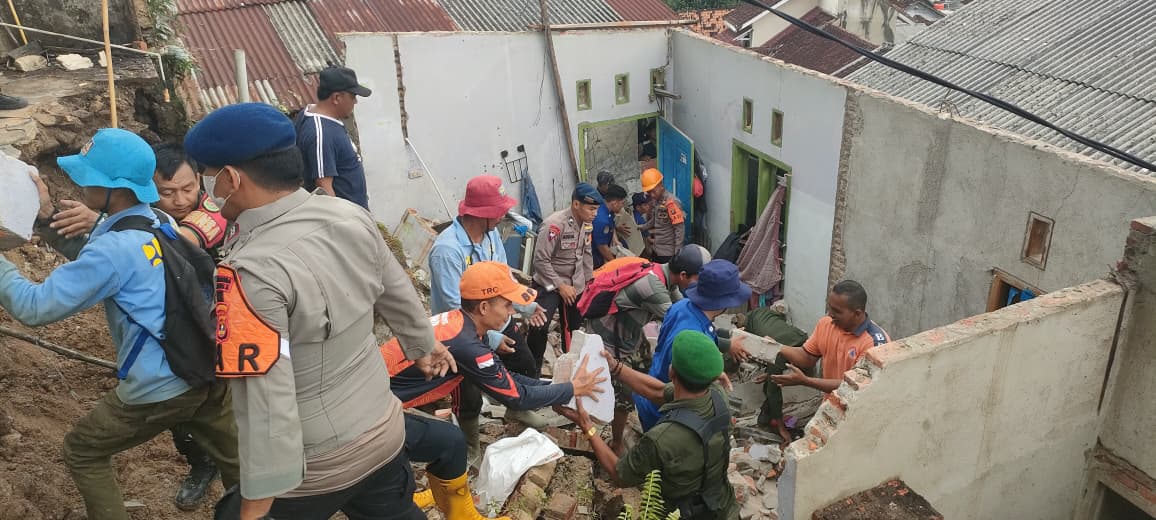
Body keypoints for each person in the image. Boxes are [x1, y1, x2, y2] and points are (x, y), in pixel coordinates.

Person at [186, 103, 455, 520]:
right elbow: (396, 288)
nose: (207, 189)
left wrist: (256, 502)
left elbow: (265, 400)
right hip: (383, 430)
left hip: (316, 467)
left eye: (208, 175)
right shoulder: (348, 214)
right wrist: (423, 345)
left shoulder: (250, 273)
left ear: (232, 179)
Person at [0, 129, 240, 520]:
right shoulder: (156, 219)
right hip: (205, 363)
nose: (82, 185)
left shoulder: (115, 247)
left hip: (162, 383)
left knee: (83, 450)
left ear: (113, 188)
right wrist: (46, 218)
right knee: (236, 459)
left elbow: (33, 308)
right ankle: (264, 510)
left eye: (88, 178)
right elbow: (99, 260)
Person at [382, 261, 606, 518]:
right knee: (446, 443)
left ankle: (425, 498)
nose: (511, 312)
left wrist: (558, 386)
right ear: (484, 307)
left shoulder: (461, 326)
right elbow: (517, 397)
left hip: (377, 398)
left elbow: (507, 379)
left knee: (446, 442)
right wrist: (571, 389)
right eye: (507, 305)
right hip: (369, 412)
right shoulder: (467, 345)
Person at [557, 331, 738, 520]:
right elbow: (658, 391)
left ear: (671, 372)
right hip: (722, 505)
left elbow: (619, 473)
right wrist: (615, 367)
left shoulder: (660, 439)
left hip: (682, 513)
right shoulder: (718, 394)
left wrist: (587, 425)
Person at [426, 175, 548, 458]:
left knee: (524, 361)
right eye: (500, 210)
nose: (504, 214)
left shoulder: (492, 236)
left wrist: (526, 306)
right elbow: (453, 304)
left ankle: (517, 408)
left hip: (496, 317)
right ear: (483, 213)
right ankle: (470, 449)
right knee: (468, 391)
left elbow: (504, 280)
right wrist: (491, 339)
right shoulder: (447, 251)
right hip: (461, 331)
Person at [585, 244, 711, 454]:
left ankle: (646, 411)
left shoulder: (664, 277)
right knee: (624, 394)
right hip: (610, 337)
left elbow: (686, 309)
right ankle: (616, 443)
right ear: (683, 275)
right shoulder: (653, 287)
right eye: (698, 279)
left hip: (630, 334)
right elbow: (679, 321)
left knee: (647, 370)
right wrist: (720, 340)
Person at [760, 281, 889, 445]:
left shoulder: (875, 344)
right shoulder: (826, 324)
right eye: (830, 308)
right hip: (831, 407)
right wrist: (777, 348)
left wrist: (806, 381)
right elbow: (807, 357)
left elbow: (853, 387)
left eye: (837, 311)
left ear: (857, 313)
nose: (830, 314)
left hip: (858, 416)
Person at [635, 260, 752, 431]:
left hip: (651, 392)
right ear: (724, 302)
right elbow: (689, 386)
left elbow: (706, 334)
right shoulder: (692, 336)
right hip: (665, 411)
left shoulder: (682, 307)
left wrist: (728, 344)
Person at [526, 183, 601, 371]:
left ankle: (572, 369)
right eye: (591, 209)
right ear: (576, 204)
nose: (595, 214)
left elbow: (586, 254)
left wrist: (589, 282)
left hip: (575, 284)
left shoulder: (587, 225)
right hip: (549, 283)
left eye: (596, 209)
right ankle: (532, 371)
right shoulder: (554, 225)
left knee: (575, 330)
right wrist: (560, 286)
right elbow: (540, 261)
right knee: (540, 326)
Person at [295, 66, 371, 208]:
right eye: (353, 96)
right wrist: (339, 219)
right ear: (336, 98)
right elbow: (324, 189)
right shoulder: (321, 134)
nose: (355, 102)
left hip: (354, 213)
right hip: (345, 217)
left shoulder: (315, 114)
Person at [639, 168, 685, 263]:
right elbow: (655, 219)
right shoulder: (657, 200)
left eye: (653, 191)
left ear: (661, 185)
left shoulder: (672, 203)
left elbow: (679, 229)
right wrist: (643, 227)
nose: (651, 195)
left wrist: (677, 252)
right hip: (657, 249)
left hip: (667, 252)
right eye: (649, 192)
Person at [591, 184, 628, 269]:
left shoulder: (607, 209)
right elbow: (602, 247)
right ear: (614, 203)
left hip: (605, 246)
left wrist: (615, 240)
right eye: (622, 203)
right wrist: (615, 263)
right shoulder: (602, 220)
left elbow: (612, 225)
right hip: (596, 256)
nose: (622, 206)